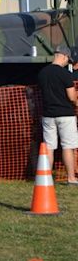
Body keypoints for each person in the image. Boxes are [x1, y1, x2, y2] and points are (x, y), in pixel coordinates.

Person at [37, 45, 78, 184]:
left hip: (48, 115)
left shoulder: (42, 73)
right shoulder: (65, 74)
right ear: (64, 56)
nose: (68, 62)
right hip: (65, 115)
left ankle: (46, 178)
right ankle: (71, 178)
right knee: (68, 147)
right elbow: (72, 97)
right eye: (68, 59)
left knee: (49, 147)